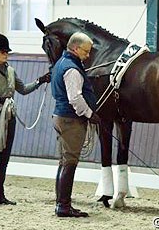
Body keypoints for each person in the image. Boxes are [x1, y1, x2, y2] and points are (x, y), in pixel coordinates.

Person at [0, 33, 51, 206]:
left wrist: (40, 81)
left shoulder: (10, 71)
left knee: (5, 157)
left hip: (9, 118)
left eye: (6, 52)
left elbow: (22, 89)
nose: (5, 54)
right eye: (2, 51)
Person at [51, 32, 101, 217]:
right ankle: (64, 206)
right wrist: (90, 114)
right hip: (70, 119)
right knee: (70, 163)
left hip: (61, 116)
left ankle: (61, 203)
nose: (88, 55)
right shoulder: (72, 69)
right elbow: (75, 98)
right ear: (75, 48)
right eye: (86, 51)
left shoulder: (61, 63)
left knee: (64, 162)